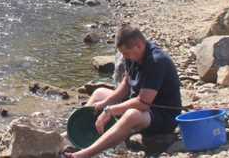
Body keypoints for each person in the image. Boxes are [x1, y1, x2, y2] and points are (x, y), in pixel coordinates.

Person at [63, 25, 182, 158]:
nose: (125, 57)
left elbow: (143, 103)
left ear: (138, 45)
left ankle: (85, 154)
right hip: (139, 102)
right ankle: (78, 135)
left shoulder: (156, 61)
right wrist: (103, 104)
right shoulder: (132, 57)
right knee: (99, 93)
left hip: (162, 114)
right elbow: (125, 86)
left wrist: (109, 110)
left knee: (131, 115)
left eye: (126, 53)